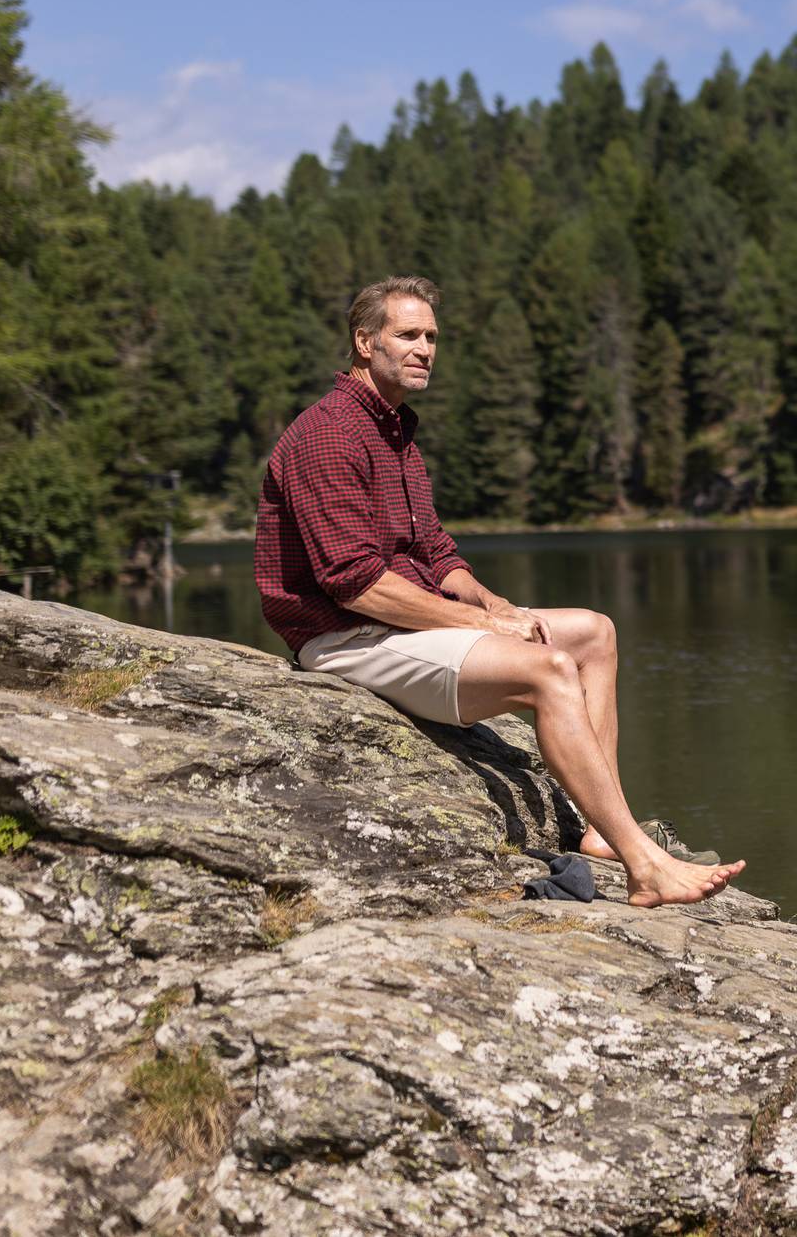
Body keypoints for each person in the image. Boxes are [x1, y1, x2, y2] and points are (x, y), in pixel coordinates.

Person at [254, 274, 742, 908]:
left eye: (431, 337)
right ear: (363, 341)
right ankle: (644, 864)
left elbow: (433, 552)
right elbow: (355, 586)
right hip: (346, 637)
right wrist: (481, 629)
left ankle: (598, 829)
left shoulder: (396, 429)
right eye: (406, 335)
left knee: (594, 632)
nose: (423, 348)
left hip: (403, 623)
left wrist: (492, 605)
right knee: (549, 671)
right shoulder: (329, 434)